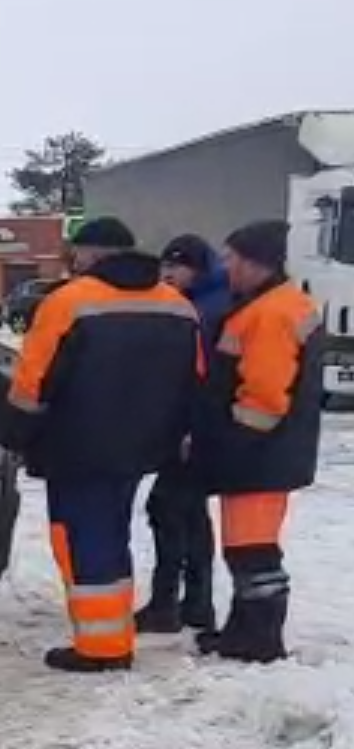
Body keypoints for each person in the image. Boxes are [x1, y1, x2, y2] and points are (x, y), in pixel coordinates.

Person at [2, 217, 203, 673]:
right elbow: (196, 381)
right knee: (111, 533)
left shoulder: (67, 303)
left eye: (77, 253)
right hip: (143, 448)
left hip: (76, 446)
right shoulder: (177, 306)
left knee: (82, 538)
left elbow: (32, 383)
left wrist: (15, 436)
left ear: (91, 254)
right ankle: (113, 634)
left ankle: (102, 648)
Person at [189, 220, 323, 663]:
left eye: (231, 257)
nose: (226, 265)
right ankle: (243, 630)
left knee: (254, 550)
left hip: (259, 454)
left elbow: (264, 396)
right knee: (245, 546)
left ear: (254, 261)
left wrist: (233, 444)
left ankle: (259, 638)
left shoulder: (270, 314)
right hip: (266, 452)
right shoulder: (274, 304)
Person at [136, 234, 232, 633]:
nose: (169, 273)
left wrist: (192, 428)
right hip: (196, 426)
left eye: (178, 266)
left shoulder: (204, 311)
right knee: (189, 513)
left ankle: (168, 604)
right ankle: (195, 603)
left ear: (199, 267)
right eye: (166, 265)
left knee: (169, 508)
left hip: (196, 429)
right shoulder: (201, 303)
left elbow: (202, 378)